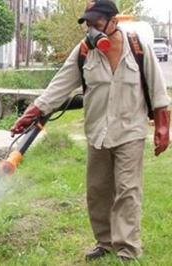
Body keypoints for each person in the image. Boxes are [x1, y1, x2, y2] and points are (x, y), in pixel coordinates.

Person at [10, 0, 171, 262]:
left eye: (98, 24)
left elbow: (157, 90)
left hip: (130, 131)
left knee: (128, 191)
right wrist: (30, 114)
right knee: (97, 191)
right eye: (89, 25)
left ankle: (126, 250)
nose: (93, 30)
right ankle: (105, 242)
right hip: (97, 132)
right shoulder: (85, 50)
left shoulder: (139, 48)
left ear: (113, 21)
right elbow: (58, 87)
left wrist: (163, 127)